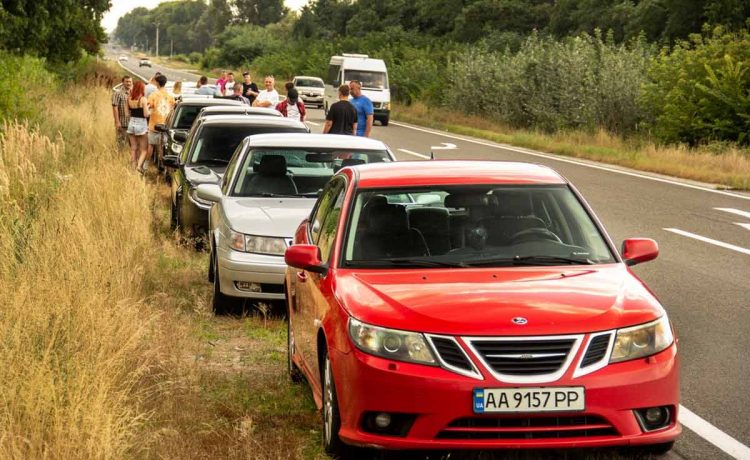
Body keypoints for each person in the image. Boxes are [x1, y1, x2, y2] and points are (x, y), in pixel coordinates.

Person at [145, 74, 175, 173]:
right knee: (163, 147)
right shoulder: (170, 96)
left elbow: (148, 108)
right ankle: (164, 167)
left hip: (154, 124)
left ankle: (145, 166)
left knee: (150, 146)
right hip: (165, 125)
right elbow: (172, 110)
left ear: (157, 83)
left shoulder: (153, 95)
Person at [126, 80, 150, 172]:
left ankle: (132, 167)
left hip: (131, 123)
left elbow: (127, 114)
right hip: (141, 125)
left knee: (133, 148)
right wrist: (148, 109)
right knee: (144, 149)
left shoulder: (129, 98)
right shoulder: (143, 99)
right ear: (142, 88)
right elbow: (145, 114)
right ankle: (139, 167)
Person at [112, 75, 133, 148]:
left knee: (131, 144)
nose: (129, 83)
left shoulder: (133, 92)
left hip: (132, 123)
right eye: (127, 81)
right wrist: (117, 121)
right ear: (122, 82)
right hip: (122, 122)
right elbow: (115, 108)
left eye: (130, 81)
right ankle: (119, 158)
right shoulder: (118, 93)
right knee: (121, 144)